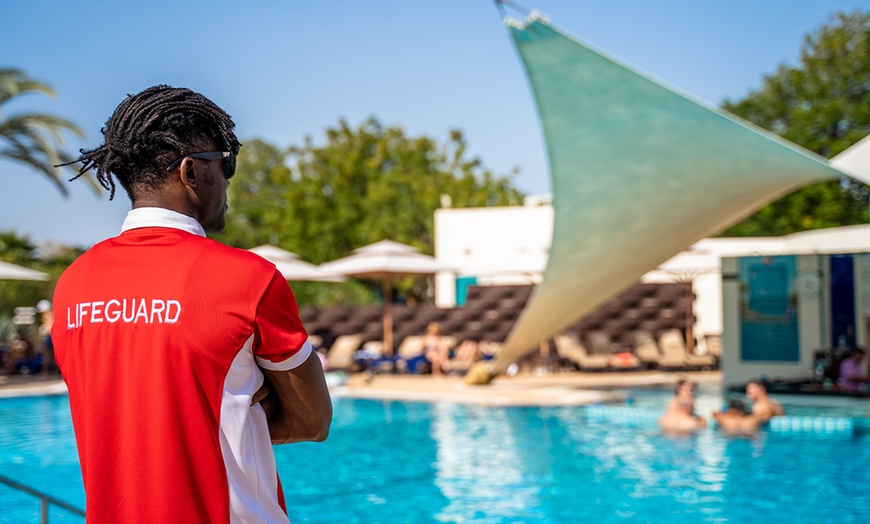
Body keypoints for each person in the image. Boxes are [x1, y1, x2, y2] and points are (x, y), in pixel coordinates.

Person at [52, 85, 332, 523]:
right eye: (226, 165)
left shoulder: (73, 285)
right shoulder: (247, 280)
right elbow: (313, 421)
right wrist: (236, 415)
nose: (227, 184)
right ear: (191, 172)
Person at [712, 380, 783, 435]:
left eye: (751, 388)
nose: (748, 391)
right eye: (747, 389)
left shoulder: (760, 405)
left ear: (761, 390)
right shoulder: (772, 401)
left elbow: (759, 418)